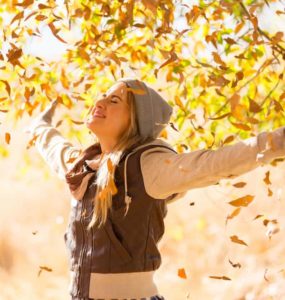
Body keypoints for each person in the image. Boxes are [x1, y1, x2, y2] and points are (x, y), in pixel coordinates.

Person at [24, 77, 285, 300]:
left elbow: (211, 164)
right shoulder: (82, 165)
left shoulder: (147, 165)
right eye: (103, 96)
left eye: (115, 101)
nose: (99, 102)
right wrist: (39, 124)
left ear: (136, 121)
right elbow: (52, 146)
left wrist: (275, 141)